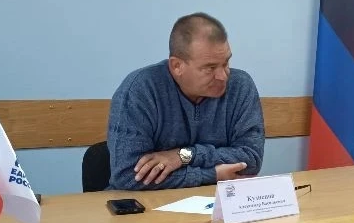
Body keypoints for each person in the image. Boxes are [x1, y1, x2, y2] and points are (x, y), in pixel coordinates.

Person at [107, 13, 264, 190]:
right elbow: (128, 176)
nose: (223, 76)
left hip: (217, 200)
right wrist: (211, 174)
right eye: (210, 68)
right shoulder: (140, 90)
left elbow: (251, 159)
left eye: (226, 63)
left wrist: (184, 155)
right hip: (147, 204)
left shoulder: (241, 86)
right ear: (177, 66)